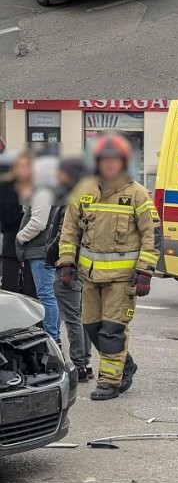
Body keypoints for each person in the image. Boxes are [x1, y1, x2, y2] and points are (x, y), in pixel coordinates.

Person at [57, 132, 160, 401]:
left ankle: (110, 382)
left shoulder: (137, 194)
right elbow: (68, 231)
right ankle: (125, 365)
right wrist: (66, 264)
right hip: (89, 277)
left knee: (112, 330)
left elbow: (152, 235)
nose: (110, 165)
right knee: (92, 328)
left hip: (122, 280)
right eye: (105, 160)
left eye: (115, 160)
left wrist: (145, 272)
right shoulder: (84, 192)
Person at [45, 157, 92, 382]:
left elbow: (65, 235)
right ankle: (87, 363)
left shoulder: (72, 201)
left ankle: (79, 365)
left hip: (68, 266)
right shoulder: (89, 197)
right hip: (82, 266)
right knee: (82, 317)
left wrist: (49, 252)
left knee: (73, 318)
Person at [16, 156, 61, 341]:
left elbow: (38, 223)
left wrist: (20, 237)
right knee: (50, 295)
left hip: (39, 251)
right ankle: (54, 335)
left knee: (46, 296)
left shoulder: (43, 192)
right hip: (42, 250)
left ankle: (52, 336)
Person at [0, 152, 31, 293]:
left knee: (32, 292)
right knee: (10, 289)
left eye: (27, 166)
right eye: (21, 166)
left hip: (33, 250)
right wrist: (23, 211)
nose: (24, 170)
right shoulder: (6, 188)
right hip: (11, 247)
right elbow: (5, 219)